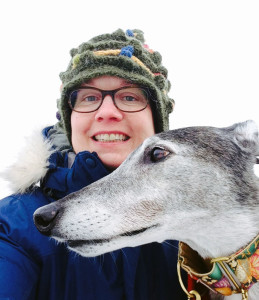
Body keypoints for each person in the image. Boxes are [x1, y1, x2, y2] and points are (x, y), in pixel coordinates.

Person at [0, 29, 186, 299]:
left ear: (156, 123)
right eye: (89, 97)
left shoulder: (194, 224)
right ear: (69, 119)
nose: (107, 112)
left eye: (130, 96)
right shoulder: (13, 225)